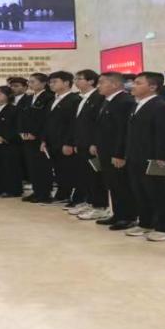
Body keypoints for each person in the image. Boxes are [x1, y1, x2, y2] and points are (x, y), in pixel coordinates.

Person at [124, 72, 165, 241]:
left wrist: (162, 158)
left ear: (153, 86)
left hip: (155, 158)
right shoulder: (137, 105)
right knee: (141, 191)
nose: (133, 86)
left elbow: (164, 135)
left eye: (138, 83)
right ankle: (146, 223)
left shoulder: (161, 106)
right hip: (136, 156)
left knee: (159, 192)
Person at [92, 72, 137, 229]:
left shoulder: (124, 101)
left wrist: (119, 153)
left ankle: (128, 217)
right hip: (106, 150)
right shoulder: (108, 101)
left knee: (122, 185)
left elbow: (123, 131)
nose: (99, 86)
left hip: (116, 152)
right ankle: (118, 214)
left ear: (115, 84)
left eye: (102, 82)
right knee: (113, 185)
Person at [66, 70, 109, 221]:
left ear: (91, 81)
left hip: (91, 144)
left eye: (80, 79)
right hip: (81, 143)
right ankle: (90, 201)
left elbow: (97, 124)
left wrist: (94, 142)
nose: (76, 82)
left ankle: (100, 206)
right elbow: (78, 123)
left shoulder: (98, 97)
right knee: (85, 175)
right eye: (75, 79)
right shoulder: (82, 98)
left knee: (95, 176)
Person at [40, 71, 81, 205]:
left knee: (68, 169)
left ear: (66, 83)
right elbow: (47, 122)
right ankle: (61, 194)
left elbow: (73, 124)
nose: (51, 84)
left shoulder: (75, 100)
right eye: (50, 82)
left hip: (64, 142)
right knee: (58, 169)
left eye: (55, 82)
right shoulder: (53, 100)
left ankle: (68, 195)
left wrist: (69, 143)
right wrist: (44, 140)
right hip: (52, 142)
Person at [19, 73, 54, 202]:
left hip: (39, 138)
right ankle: (36, 190)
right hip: (27, 137)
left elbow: (45, 119)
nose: (30, 84)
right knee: (32, 166)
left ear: (43, 83)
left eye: (33, 81)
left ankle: (44, 193)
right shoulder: (28, 98)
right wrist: (22, 132)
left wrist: (35, 133)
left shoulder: (49, 97)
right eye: (29, 81)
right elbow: (21, 117)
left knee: (42, 166)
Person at [0, 86, 22, 197]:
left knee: (9, 167)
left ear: (8, 96)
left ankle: (12, 190)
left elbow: (17, 128)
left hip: (9, 144)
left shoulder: (14, 109)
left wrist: (5, 137)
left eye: (0, 94)